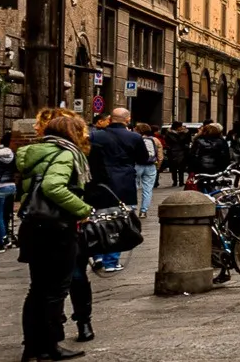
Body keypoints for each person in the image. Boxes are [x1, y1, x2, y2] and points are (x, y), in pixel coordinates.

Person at [16, 114, 94, 361]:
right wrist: (83, 210)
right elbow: (53, 187)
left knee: (36, 290)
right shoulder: (66, 153)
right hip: (57, 227)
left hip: (32, 226)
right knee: (56, 290)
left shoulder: (32, 152)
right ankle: (50, 346)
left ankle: (32, 346)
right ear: (73, 132)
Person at [85, 109, 143, 273]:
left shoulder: (96, 135)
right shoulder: (135, 137)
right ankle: (111, 261)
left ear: (110, 119)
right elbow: (143, 158)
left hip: (100, 182)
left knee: (96, 217)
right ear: (128, 119)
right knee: (120, 220)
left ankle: (97, 255)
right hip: (124, 182)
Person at [131, 122, 160, 214]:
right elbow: (159, 154)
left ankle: (132, 208)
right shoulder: (154, 140)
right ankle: (143, 211)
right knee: (147, 189)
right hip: (151, 165)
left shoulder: (135, 139)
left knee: (133, 187)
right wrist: (158, 164)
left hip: (137, 165)